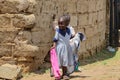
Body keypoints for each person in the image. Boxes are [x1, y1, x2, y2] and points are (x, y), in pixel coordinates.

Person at [51, 15, 74, 80]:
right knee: (58, 62)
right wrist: (54, 46)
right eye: (59, 23)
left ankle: (65, 74)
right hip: (60, 49)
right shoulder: (58, 31)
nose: (60, 25)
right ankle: (57, 74)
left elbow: (70, 37)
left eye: (62, 24)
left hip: (67, 48)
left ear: (66, 24)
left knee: (65, 61)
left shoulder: (69, 30)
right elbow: (55, 39)